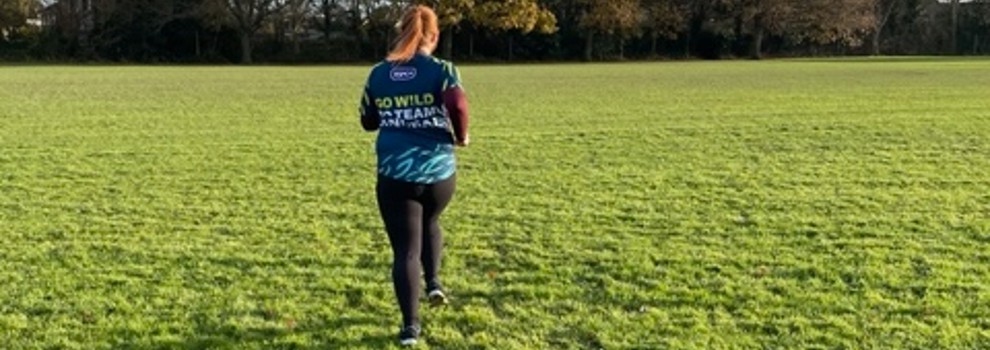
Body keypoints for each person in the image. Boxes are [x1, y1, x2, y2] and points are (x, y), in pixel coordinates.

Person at [358, 4, 470, 347]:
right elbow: (458, 105)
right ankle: (434, 282)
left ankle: (410, 328)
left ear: (400, 33)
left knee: (405, 249)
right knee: (431, 221)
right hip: (438, 172)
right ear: (433, 36)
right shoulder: (443, 70)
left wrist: (398, 111)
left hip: (395, 173)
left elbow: (367, 120)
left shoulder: (378, 73)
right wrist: (461, 135)